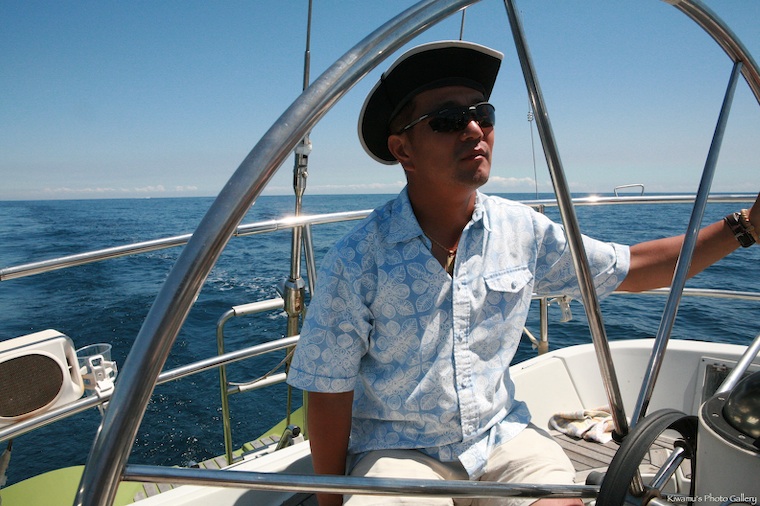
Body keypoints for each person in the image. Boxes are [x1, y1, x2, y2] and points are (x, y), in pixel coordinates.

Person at [286, 40, 760, 506]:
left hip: (500, 436)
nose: (475, 129)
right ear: (402, 149)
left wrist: (746, 227)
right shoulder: (357, 258)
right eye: (449, 119)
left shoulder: (522, 231)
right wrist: (331, 501)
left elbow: (631, 268)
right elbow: (328, 389)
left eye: (484, 114)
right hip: (398, 451)